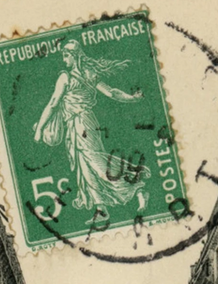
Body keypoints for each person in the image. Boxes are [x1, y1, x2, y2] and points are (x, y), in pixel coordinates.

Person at [33, 38, 150, 222]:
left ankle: (137, 188)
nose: (64, 60)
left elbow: (53, 103)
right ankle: (101, 209)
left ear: (74, 56)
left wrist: (39, 129)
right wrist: (132, 98)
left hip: (81, 123)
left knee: (96, 163)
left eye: (66, 56)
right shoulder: (88, 73)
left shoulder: (67, 77)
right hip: (81, 124)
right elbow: (111, 92)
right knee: (85, 167)